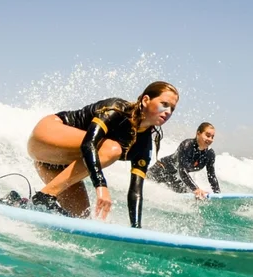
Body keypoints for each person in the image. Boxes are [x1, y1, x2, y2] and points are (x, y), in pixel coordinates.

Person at [25, 81, 179, 227]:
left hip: (55, 165)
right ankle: (44, 196)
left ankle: (21, 202)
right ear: (146, 100)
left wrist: (136, 228)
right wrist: (101, 187)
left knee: (81, 218)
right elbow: (88, 144)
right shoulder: (116, 109)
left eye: (172, 108)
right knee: (112, 148)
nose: (168, 112)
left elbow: (136, 190)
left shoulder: (144, 145)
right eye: (164, 104)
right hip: (47, 136)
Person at [150, 122, 220, 199]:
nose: (210, 139)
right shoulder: (187, 145)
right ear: (198, 133)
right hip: (161, 169)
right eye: (207, 135)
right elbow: (182, 170)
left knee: (189, 197)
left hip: (174, 178)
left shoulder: (210, 154)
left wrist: (218, 194)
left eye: (212, 137)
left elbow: (211, 176)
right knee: (145, 185)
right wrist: (196, 189)